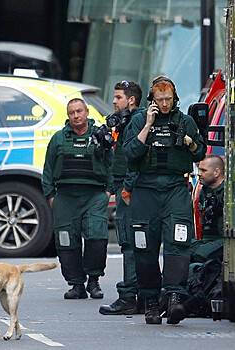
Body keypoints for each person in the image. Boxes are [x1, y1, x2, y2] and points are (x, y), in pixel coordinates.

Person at [123, 76, 206, 325]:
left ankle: (174, 298)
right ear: (152, 100)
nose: (165, 104)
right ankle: (150, 301)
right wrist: (147, 125)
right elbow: (130, 154)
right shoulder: (139, 120)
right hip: (146, 189)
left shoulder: (185, 121)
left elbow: (201, 153)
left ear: (175, 98)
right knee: (144, 247)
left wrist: (189, 142)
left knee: (178, 244)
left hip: (176, 189)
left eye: (168, 99)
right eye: (160, 100)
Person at [41, 98, 113, 300]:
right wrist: (52, 198)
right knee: (66, 242)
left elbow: (112, 165)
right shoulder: (58, 139)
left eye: (79, 111)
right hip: (65, 197)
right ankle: (76, 284)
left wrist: (107, 193)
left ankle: (94, 281)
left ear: (87, 112)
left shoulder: (100, 136)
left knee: (97, 238)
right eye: (72, 112)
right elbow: (47, 171)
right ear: (68, 115)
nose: (76, 115)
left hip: (94, 196)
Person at [100, 81, 144, 315]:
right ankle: (141, 296)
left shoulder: (135, 121)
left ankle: (129, 297)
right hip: (125, 188)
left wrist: (126, 189)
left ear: (131, 100)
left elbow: (134, 160)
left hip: (130, 191)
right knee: (133, 243)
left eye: (118, 97)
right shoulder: (127, 122)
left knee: (128, 242)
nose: (114, 102)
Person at [190, 155, 224, 263]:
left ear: (216, 172)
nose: (199, 173)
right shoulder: (204, 191)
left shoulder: (227, 193)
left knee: (201, 254)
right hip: (204, 240)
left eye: (203, 170)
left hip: (224, 241)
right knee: (179, 252)